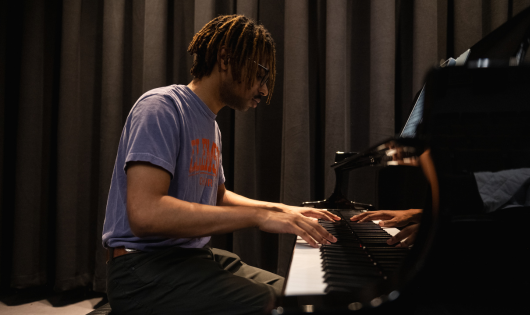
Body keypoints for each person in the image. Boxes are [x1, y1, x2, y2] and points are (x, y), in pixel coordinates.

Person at [102, 15, 339, 315]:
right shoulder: (161, 107)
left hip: (191, 257)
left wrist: (281, 210)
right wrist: (259, 216)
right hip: (141, 269)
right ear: (225, 58)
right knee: (278, 306)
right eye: (261, 75)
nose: (264, 91)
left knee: (299, 294)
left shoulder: (212, 128)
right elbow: (146, 213)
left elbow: (219, 196)